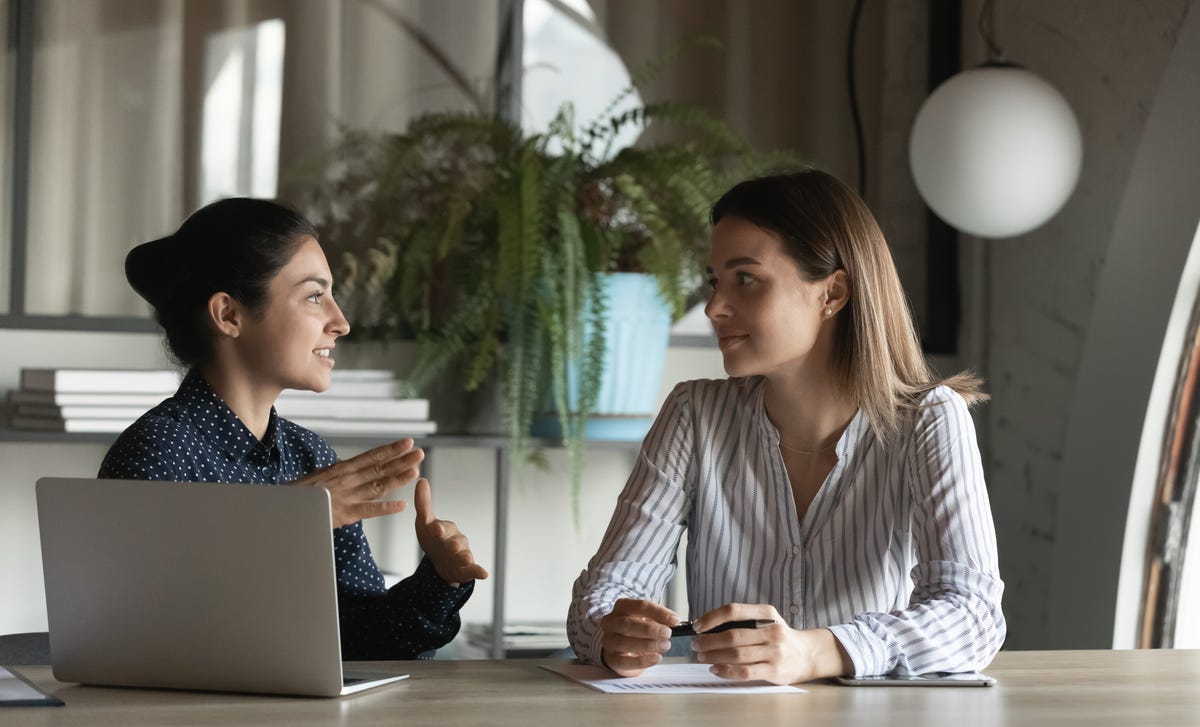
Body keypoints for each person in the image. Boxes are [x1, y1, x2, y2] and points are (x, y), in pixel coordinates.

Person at [567, 169, 1005, 684]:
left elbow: (973, 616)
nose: (713, 307)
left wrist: (816, 652)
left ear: (832, 293)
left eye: (745, 279)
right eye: (714, 281)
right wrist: (612, 635)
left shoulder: (930, 420)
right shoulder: (694, 415)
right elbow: (598, 602)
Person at [99, 197, 488, 660]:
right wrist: (288, 521)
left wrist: (440, 579)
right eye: (313, 296)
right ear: (229, 315)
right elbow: (145, 632)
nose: (340, 322)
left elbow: (360, 640)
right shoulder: (153, 453)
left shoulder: (310, 455)